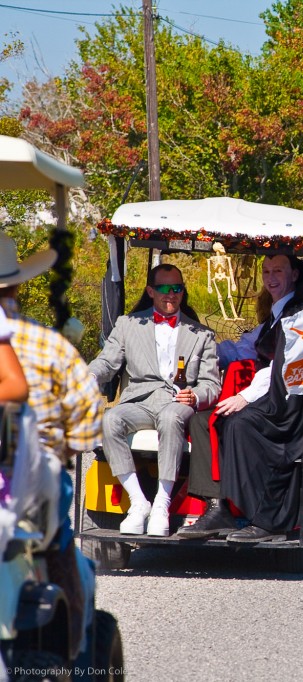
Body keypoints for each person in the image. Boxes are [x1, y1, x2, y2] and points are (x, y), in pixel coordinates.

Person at [179, 254, 303, 542]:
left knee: (239, 423)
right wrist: (199, 348)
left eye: (278, 270)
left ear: (295, 274)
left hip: (289, 405)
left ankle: (266, 518)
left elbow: (282, 367)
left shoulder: (301, 315)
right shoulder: (277, 316)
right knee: (204, 421)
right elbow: (242, 349)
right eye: (266, 271)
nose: (270, 277)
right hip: (274, 396)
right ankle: (220, 505)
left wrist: (245, 397)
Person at [0, 234, 103, 658]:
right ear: (17, 287)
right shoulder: (49, 345)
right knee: (58, 540)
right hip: (31, 481)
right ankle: (75, 645)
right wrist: (66, 449)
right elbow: (87, 419)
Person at [88, 264, 221, 536]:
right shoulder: (128, 324)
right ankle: (138, 502)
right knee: (111, 419)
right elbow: (107, 361)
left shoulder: (202, 334)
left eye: (177, 288)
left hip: (176, 403)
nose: (170, 294)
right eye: (163, 288)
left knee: (172, 417)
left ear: (183, 292)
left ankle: (162, 501)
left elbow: (211, 383)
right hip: (139, 401)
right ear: (150, 291)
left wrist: (194, 395)